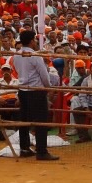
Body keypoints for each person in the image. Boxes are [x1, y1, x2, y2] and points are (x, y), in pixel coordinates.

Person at [9, 29, 58, 160]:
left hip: (23, 90)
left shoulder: (16, 55)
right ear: (31, 41)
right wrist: (48, 88)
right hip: (36, 91)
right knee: (41, 121)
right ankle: (41, 151)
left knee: (24, 120)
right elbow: (44, 75)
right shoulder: (35, 56)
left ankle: (24, 148)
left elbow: (18, 71)